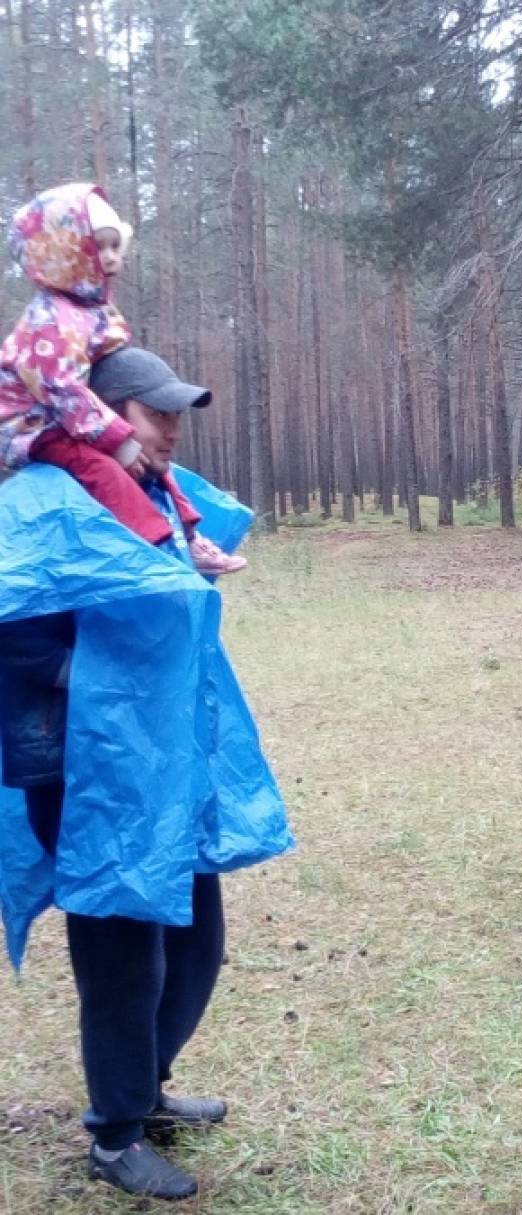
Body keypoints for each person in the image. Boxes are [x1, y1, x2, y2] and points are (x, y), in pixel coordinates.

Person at [0, 346, 293, 1200]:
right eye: (154, 412)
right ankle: (116, 1132)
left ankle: (148, 1084)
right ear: (102, 413)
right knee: (122, 956)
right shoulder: (41, 500)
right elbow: (14, 627)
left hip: (159, 760)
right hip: (80, 769)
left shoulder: (148, 496)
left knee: (195, 939)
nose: (169, 429)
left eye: (175, 414)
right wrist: (106, 679)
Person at [0, 181, 244, 576]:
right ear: (64, 250)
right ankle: (158, 547)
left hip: (66, 417)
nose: (112, 257)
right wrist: (117, 437)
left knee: (156, 466)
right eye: (99, 246)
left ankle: (188, 536)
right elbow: (62, 389)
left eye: (117, 245)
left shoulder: (91, 308)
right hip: (30, 427)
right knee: (104, 469)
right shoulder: (49, 319)